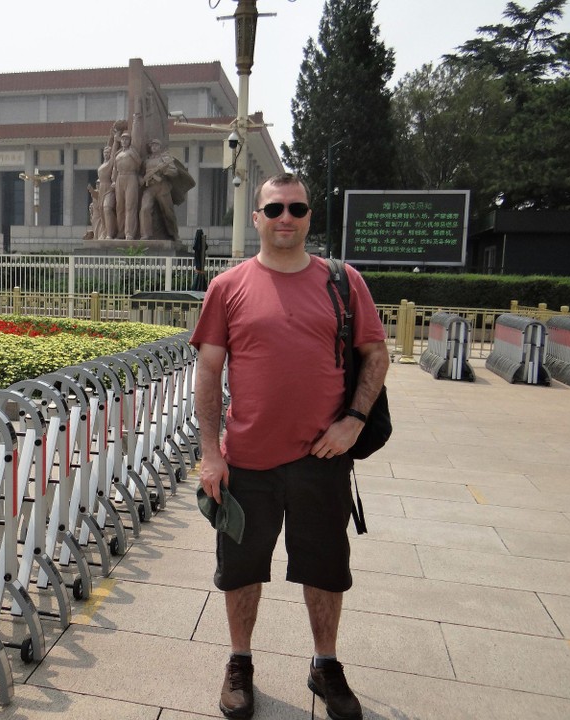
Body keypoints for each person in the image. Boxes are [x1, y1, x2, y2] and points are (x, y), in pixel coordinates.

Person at [190, 173, 389, 720]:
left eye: (297, 208)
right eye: (274, 208)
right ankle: (239, 663)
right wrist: (211, 452)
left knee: (326, 568)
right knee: (241, 569)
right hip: (247, 461)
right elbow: (208, 372)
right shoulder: (228, 287)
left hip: (322, 460)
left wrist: (352, 420)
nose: (285, 217)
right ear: (256, 217)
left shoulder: (343, 282)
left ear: (308, 217)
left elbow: (376, 353)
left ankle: (325, 665)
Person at [139, 138, 179, 241]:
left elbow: (174, 172)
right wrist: (142, 180)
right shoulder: (146, 160)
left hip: (162, 187)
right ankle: (146, 234)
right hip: (150, 188)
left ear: (160, 147)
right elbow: (141, 174)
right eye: (152, 146)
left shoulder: (165, 158)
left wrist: (164, 169)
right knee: (144, 209)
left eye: (156, 145)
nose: (154, 147)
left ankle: (174, 234)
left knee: (168, 212)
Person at [111, 123, 143, 240]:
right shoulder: (118, 154)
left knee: (130, 206)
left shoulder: (132, 152)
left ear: (129, 141)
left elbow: (139, 163)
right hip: (120, 178)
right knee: (120, 207)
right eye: (123, 139)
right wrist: (113, 180)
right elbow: (114, 168)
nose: (124, 141)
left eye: (126, 139)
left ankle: (129, 232)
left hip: (131, 177)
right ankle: (120, 232)